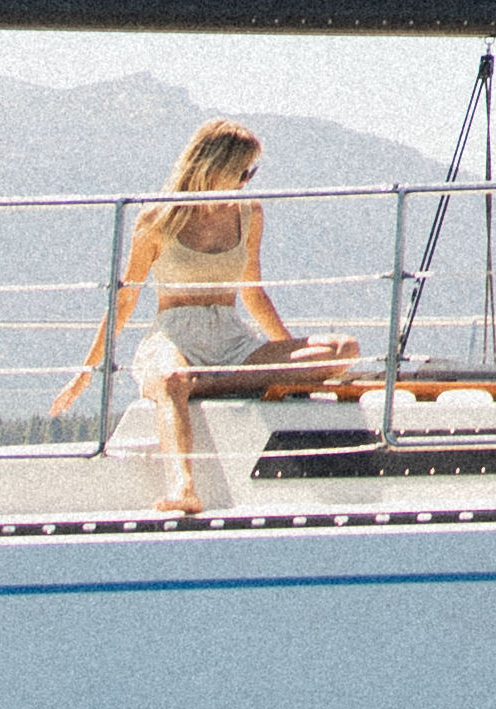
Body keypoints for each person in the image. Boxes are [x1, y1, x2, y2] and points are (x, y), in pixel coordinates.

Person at [55, 119, 318, 519]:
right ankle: (183, 486)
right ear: (217, 166)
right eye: (244, 171)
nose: (248, 181)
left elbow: (253, 291)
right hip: (175, 335)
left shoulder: (249, 213)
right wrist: (87, 369)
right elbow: (126, 299)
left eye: (252, 173)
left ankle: (209, 383)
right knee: (173, 380)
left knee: (339, 350)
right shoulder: (158, 218)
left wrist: (287, 351)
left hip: (233, 337)